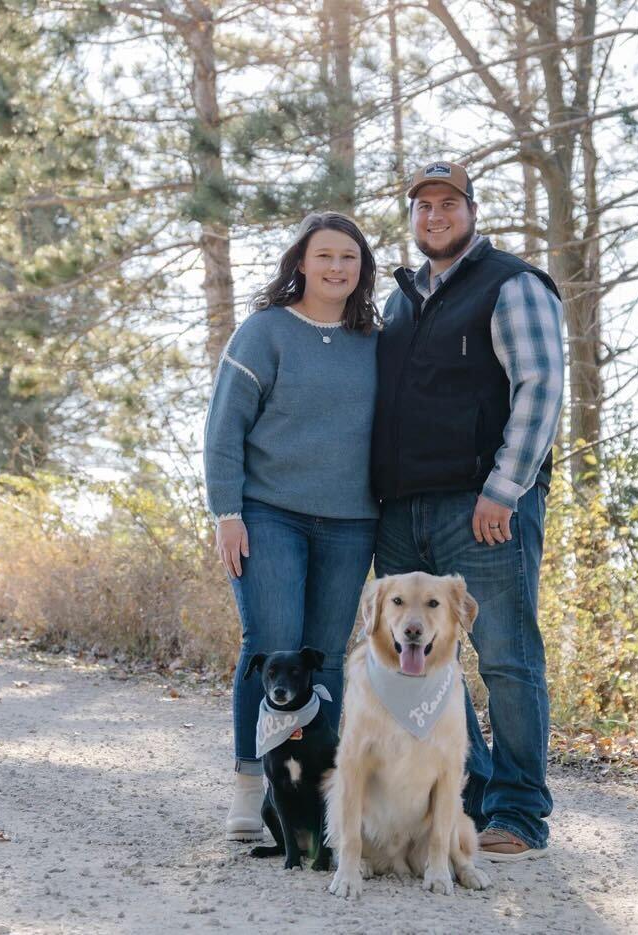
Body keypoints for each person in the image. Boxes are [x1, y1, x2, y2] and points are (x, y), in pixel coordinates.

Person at [371, 161, 565, 861]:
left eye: (447, 203)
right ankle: (475, 793)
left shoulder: (511, 284)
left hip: (483, 507)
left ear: (472, 211)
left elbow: (540, 386)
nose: (434, 216)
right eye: (422, 205)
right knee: (423, 659)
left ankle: (520, 809)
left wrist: (504, 488)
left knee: (507, 658)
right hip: (403, 511)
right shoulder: (400, 302)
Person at [203, 212, 382, 841]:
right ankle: (251, 786)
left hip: (353, 522)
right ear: (300, 263)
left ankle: (313, 797)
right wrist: (227, 513)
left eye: (349, 258)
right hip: (269, 513)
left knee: (324, 659)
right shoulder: (265, 332)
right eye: (324, 255)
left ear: (362, 270)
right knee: (272, 642)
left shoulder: (375, 341)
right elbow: (223, 427)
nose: (337, 267)